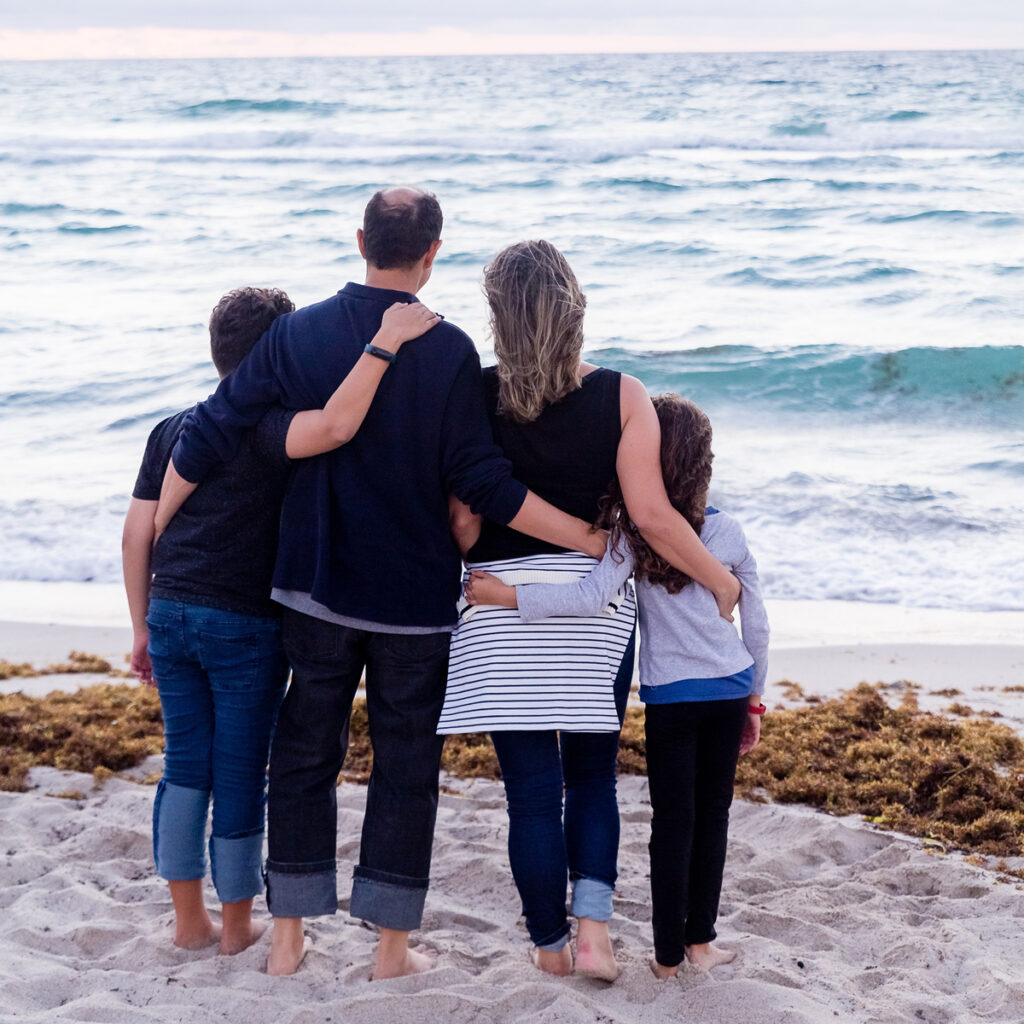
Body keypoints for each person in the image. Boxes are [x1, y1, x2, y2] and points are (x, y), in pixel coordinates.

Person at [154, 189, 609, 979]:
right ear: (433, 252)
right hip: (412, 600)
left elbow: (214, 427)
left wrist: (160, 525)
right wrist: (588, 539)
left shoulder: (297, 335)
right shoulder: (451, 350)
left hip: (314, 589)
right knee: (404, 768)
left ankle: (289, 939)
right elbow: (483, 481)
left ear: (361, 238)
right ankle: (391, 952)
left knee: (303, 757)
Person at [437, 241, 742, 981]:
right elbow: (653, 517)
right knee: (592, 779)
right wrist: (720, 584)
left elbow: (463, 528)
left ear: (498, 315)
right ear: (574, 306)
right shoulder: (622, 395)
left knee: (533, 794)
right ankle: (597, 933)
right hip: (592, 611)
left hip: (498, 609)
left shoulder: (473, 395)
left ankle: (549, 947)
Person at [122, 286, 439, 956]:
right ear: (279, 353)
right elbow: (334, 426)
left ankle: (187, 923)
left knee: (185, 766)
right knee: (238, 773)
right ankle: (236, 928)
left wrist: (140, 629)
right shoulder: (268, 429)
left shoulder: (172, 427)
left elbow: (136, 535)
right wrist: (385, 345)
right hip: (242, 627)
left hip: (170, 613)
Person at [466, 394, 769, 978]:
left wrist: (505, 595)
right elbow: (756, 623)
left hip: (670, 699)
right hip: (730, 690)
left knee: (672, 822)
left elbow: (586, 598)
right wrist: (755, 696)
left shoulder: (633, 536)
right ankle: (701, 940)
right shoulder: (727, 532)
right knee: (715, 817)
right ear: (704, 463)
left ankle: (664, 959)